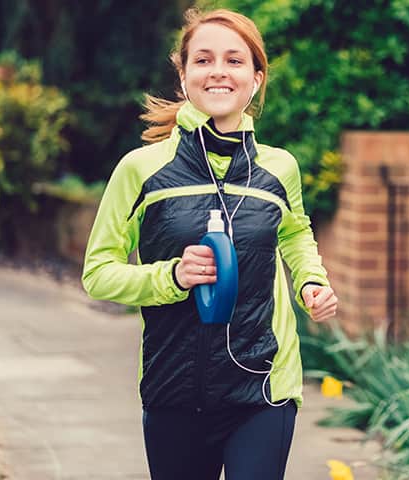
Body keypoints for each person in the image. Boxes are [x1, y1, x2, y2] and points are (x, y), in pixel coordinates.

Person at [81, 8, 339, 479]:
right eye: (203, 59)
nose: (219, 70)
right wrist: (171, 276)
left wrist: (311, 282)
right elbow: (98, 272)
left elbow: (295, 231)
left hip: (264, 388)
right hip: (174, 391)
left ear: (256, 79)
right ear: (183, 76)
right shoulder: (141, 170)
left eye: (234, 60)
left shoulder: (279, 169)